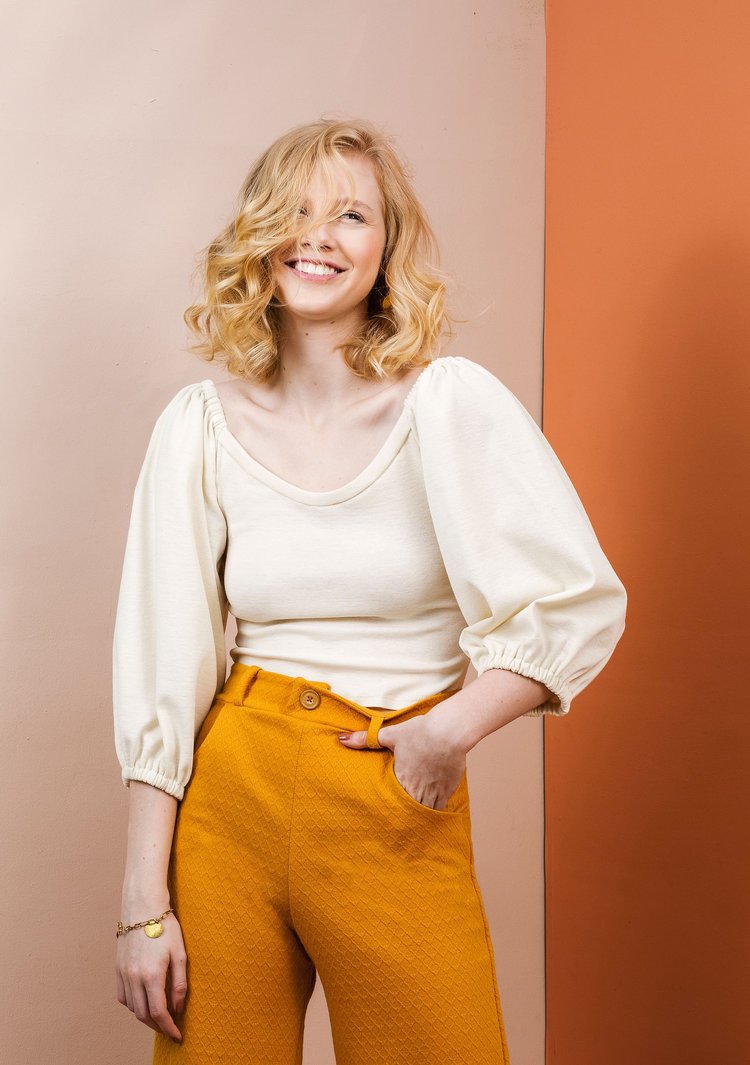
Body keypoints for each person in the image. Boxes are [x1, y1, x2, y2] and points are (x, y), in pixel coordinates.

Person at [112, 117, 627, 1065]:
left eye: (351, 215)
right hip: (231, 795)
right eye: (295, 211)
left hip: (388, 789)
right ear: (258, 234)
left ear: (386, 248)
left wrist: (449, 729)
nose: (318, 236)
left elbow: (573, 599)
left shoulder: (447, 404)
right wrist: (144, 904)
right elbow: (163, 664)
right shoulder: (199, 425)